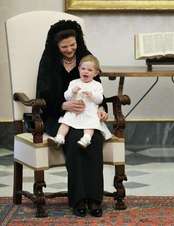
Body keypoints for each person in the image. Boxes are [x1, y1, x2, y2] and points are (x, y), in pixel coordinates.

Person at [36, 20, 107, 217]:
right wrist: (62, 104)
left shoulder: (87, 61)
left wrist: (101, 108)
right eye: (64, 46)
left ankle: (94, 199)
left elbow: (99, 91)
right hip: (59, 118)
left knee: (93, 141)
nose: (69, 49)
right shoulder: (49, 62)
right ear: (56, 46)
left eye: (72, 45)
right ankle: (78, 199)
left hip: (88, 117)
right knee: (75, 141)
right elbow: (42, 95)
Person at [48, 55, 112, 149]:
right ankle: (59, 138)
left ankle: (86, 139)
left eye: (90, 70)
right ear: (79, 69)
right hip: (74, 111)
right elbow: (66, 97)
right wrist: (72, 91)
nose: (86, 71)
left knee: (90, 125)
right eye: (83, 68)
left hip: (89, 111)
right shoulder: (74, 83)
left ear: (96, 73)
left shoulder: (96, 85)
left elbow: (100, 100)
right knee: (65, 122)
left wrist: (92, 95)